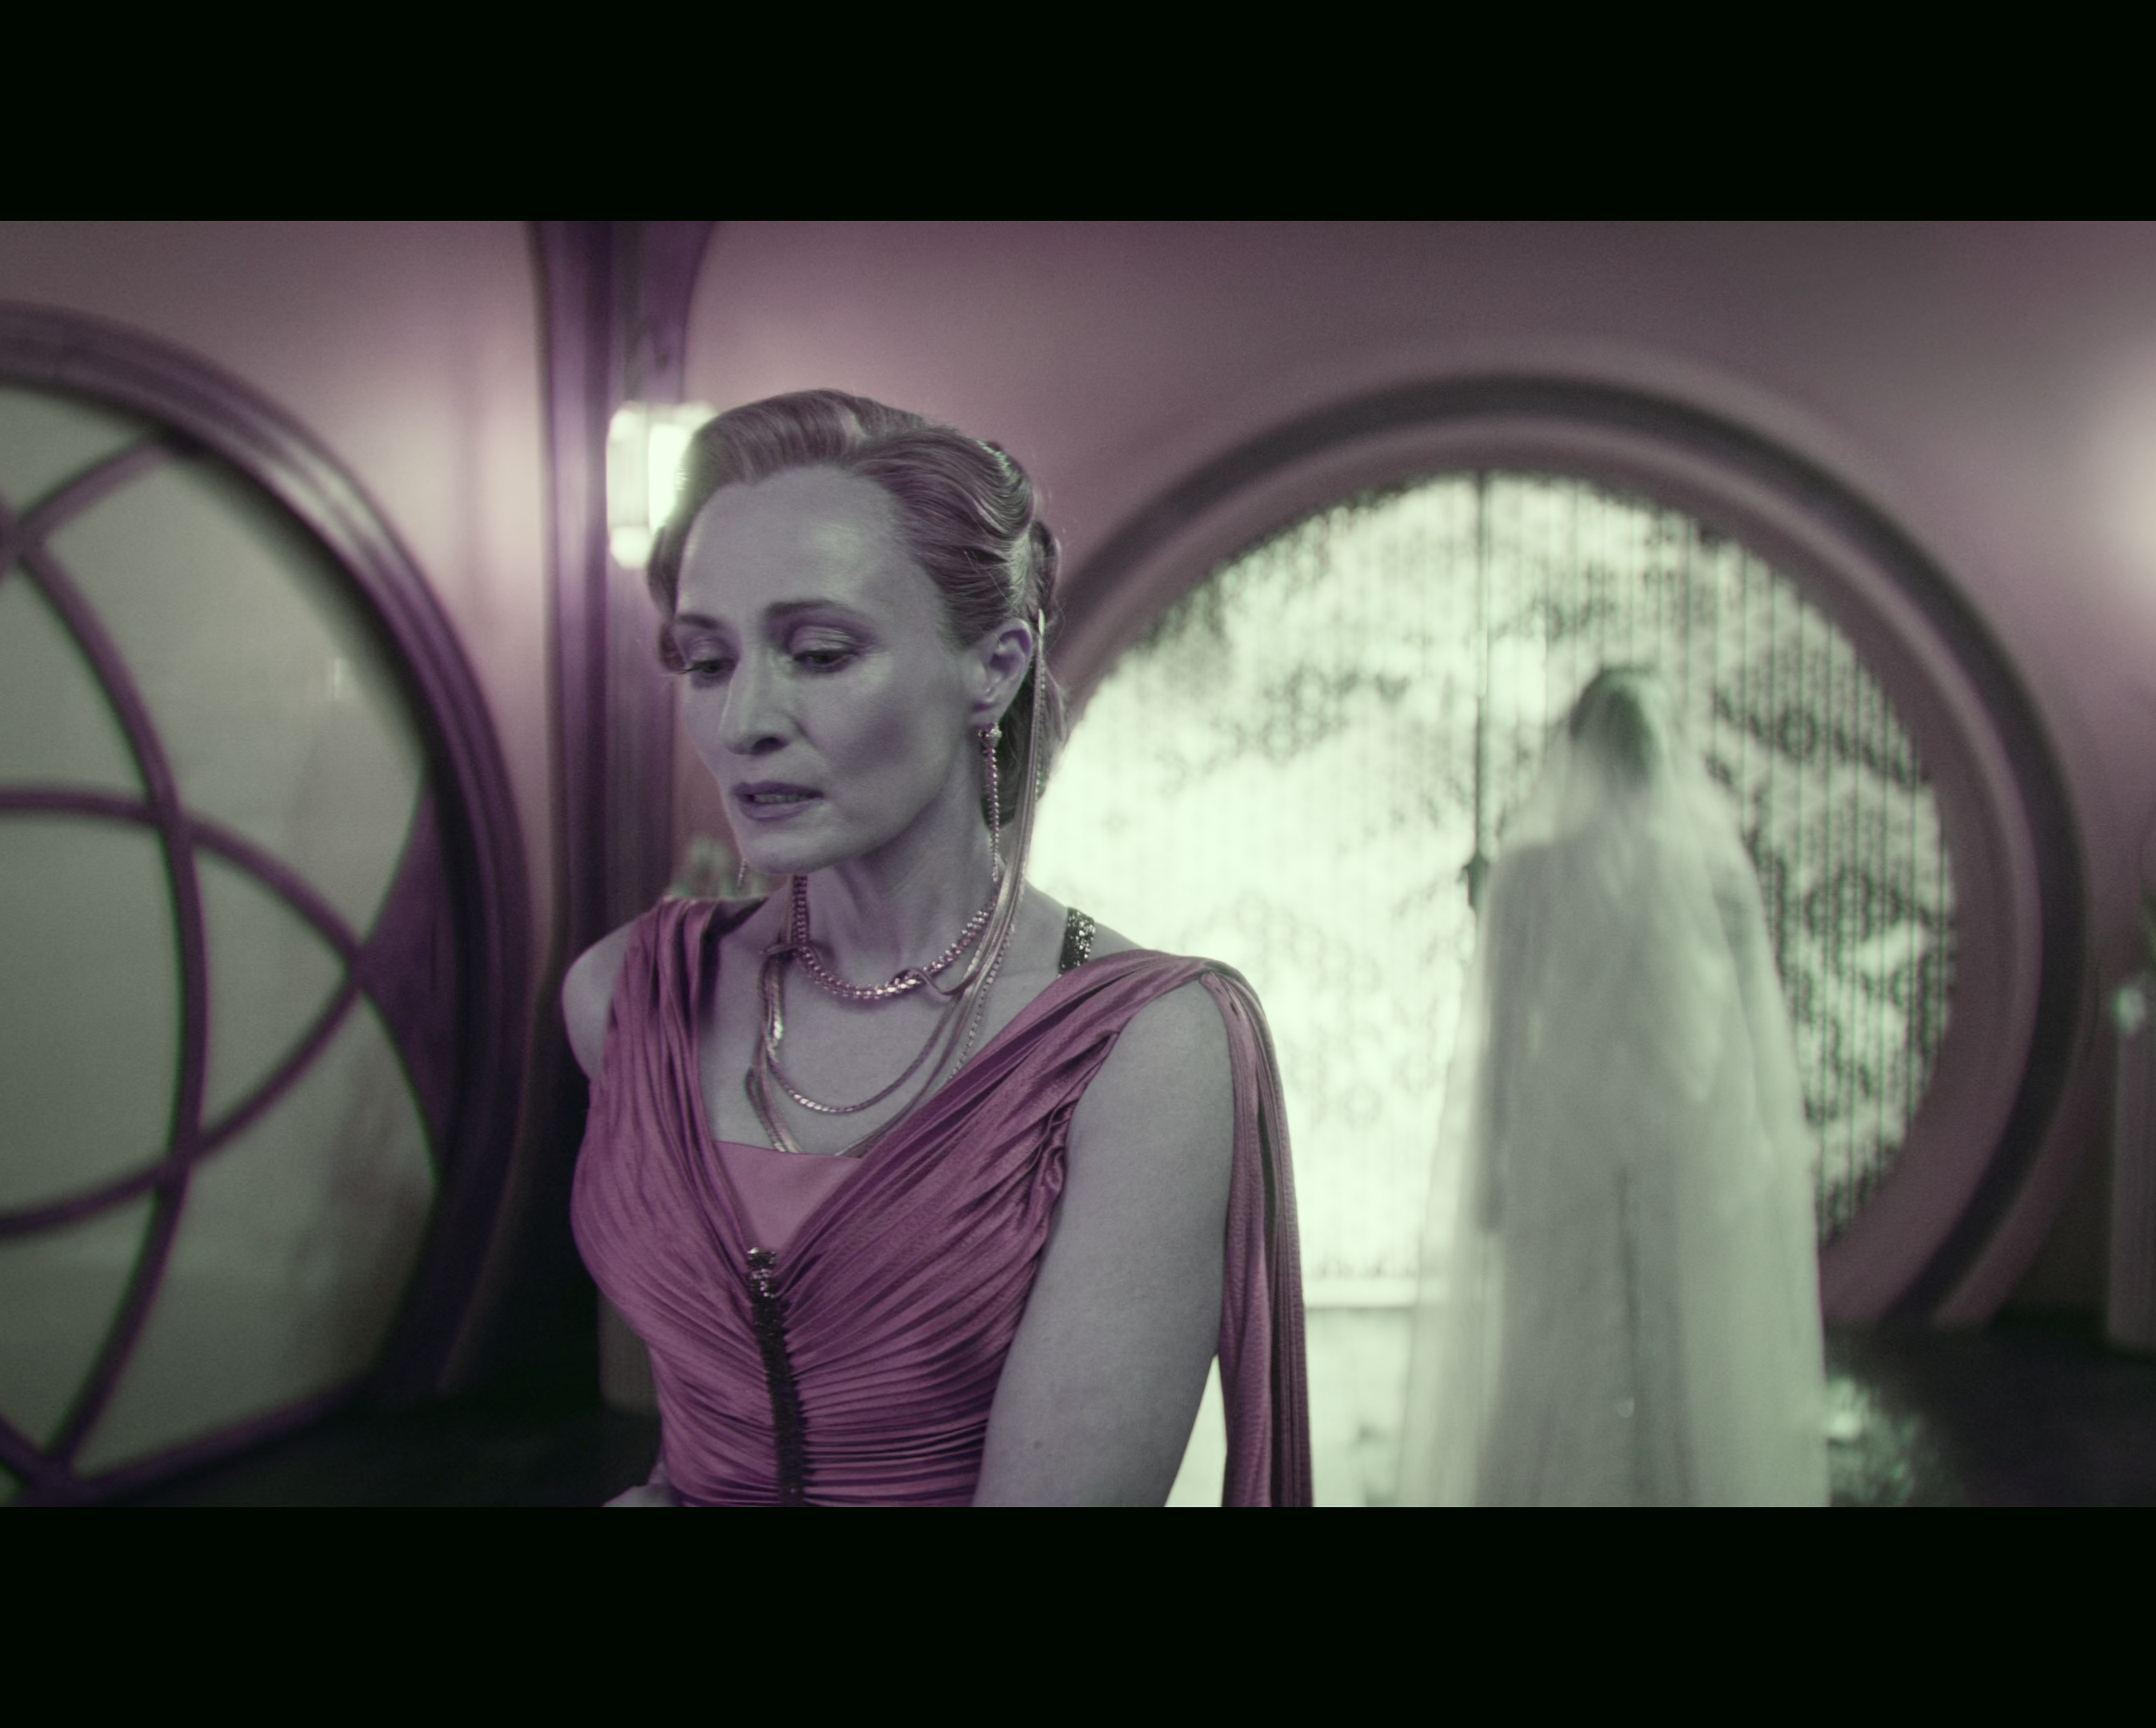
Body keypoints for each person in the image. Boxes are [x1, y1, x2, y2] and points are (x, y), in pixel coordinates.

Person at [565, 390, 1309, 1506]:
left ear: (994, 668)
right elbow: (701, 1437)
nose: (743, 720)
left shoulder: (1145, 1053)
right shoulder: (627, 997)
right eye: (707, 662)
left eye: (820, 652)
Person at [1398, 669, 1827, 1506]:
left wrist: (1492, 1160)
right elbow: (1744, 1042)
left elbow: (1502, 1040)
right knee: (1686, 1354)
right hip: (1686, 1140)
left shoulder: (1532, 874)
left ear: (1577, 751)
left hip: (1564, 1135)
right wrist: (1749, 1150)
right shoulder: (1718, 876)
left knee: (1554, 1347)